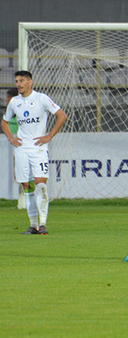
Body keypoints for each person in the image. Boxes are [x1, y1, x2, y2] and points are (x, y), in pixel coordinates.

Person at [1, 71, 68, 235]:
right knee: (26, 186)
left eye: (22, 81)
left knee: (41, 185)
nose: (19, 84)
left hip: (38, 148)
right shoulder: (15, 102)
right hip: (22, 149)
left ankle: (43, 224)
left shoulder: (41, 98)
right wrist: (11, 138)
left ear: (30, 82)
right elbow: (4, 122)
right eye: (17, 81)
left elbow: (62, 116)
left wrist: (49, 136)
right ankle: (33, 225)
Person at [5, 88, 34, 210]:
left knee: (27, 176)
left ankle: (28, 201)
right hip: (14, 148)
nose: (7, 102)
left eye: (8, 99)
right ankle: (24, 200)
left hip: (25, 147)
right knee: (20, 176)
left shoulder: (24, 114)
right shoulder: (8, 114)